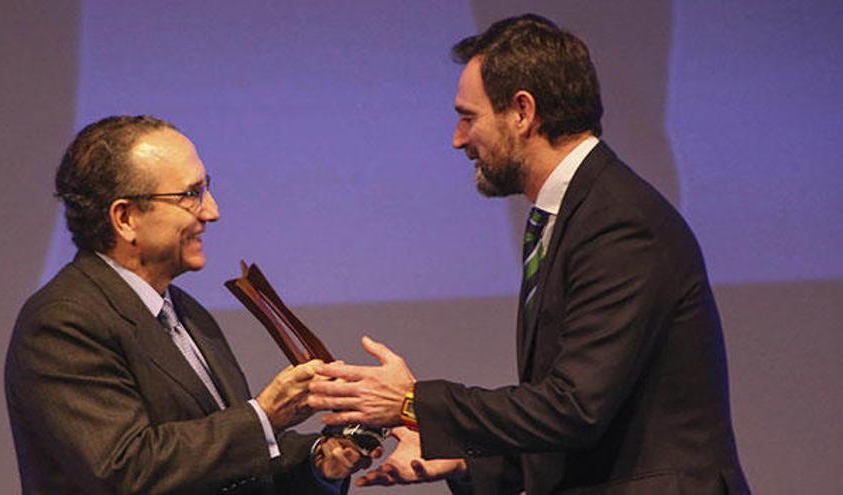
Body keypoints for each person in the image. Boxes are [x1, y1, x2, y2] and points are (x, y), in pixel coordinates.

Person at [308, 14, 750, 494]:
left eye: (468, 116)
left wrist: (414, 402)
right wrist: (463, 461)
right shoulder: (573, 215)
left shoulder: (619, 222)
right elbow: (585, 427)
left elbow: (576, 408)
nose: (457, 138)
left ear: (522, 112)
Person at [5, 115, 372, 494]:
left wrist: (320, 460)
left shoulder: (187, 312)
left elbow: (227, 468)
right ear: (125, 217)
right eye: (190, 195)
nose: (212, 211)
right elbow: (125, 471)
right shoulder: (63, 322)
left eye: (206, 189)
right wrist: (264, 417)